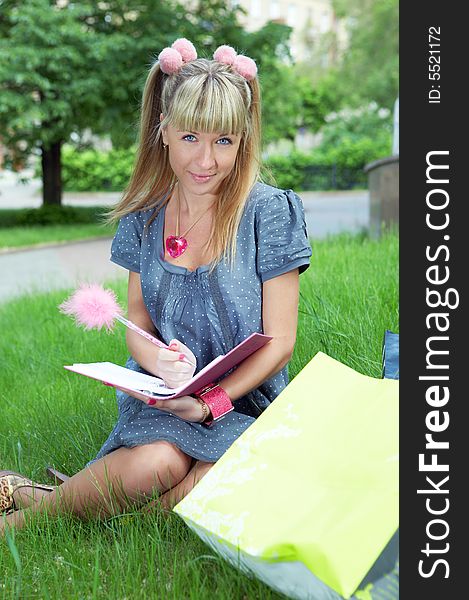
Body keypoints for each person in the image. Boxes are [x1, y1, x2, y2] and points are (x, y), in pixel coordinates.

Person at [0, 39, 312, 533]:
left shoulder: (268, 212)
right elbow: (138, 320)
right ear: (164, 131)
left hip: (247, 399)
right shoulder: (145, 218)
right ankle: (24, 529)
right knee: (158, 463)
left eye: (223, 141)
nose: (206, 160)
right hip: (166, 397)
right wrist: (156, 361)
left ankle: (66, 513)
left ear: (242, 140)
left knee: (220, 473)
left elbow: (281, 340)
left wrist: (211, 402)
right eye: (190, 137)